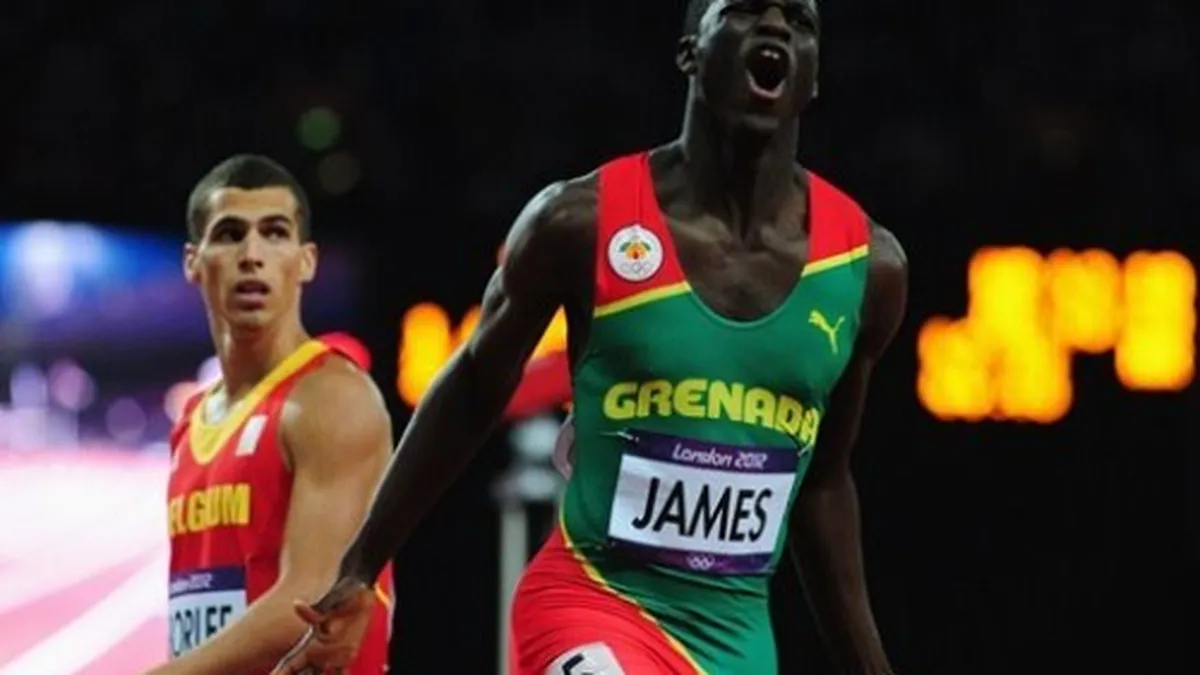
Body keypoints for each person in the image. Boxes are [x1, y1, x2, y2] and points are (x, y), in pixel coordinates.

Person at [277, 0, 908, 672]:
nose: (776, 25)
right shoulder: (579, 222)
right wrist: (361, 565)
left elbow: (823, 485)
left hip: (737, 644)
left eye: (799, 20)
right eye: (746, 10)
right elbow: (474, 386)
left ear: (813, 78)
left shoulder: (866, 268)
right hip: (590, 604)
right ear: (690, 51)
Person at [146, 154, 394, 675]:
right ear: (193, 261)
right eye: (230, 234)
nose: (252, 255)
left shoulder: (331, 398)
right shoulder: (192, 421)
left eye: (275, 233)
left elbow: (310, 604)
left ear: (306, 261)